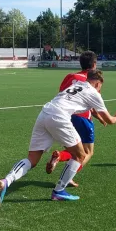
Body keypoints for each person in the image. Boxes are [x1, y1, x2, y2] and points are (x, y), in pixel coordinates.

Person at [0, 70, 116, 208]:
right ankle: (59, 191)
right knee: (80, 155)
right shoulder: (94, 93)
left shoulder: (78, 84)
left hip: (44, 113)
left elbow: (91, 107)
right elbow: (110, 120)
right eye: (100, 87)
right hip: (59, 117)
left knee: (32, 159)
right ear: (98, 83)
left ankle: (6, 181)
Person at [46, 51, 106, 187]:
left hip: (65, 116)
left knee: (76, 149)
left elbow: (62, 94)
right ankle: (68, 177)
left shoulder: (71, 76)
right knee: (87, 152)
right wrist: (100, 118)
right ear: (94, 64)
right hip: (83, 118)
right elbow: (92, 104)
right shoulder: (92, 81)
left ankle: (60, 157)